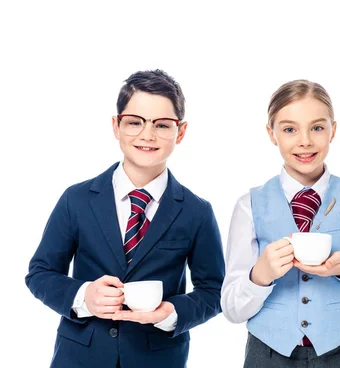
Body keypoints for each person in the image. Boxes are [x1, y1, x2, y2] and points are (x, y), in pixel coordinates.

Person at [25, 69, 225, 368]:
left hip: (157, 358)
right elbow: (40, 273)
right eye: (134, 122)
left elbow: (214, 290)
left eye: (162, 125)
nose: (147, 135)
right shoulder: (76, 199)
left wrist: (171, 312)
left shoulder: (196, 211)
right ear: (116, 126)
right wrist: (84, 296)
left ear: (180, 132)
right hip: (79, 357)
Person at [221, 79, 340, 367]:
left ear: (333, 130)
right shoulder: (249, 205)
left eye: (317, 127)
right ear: (272, 134)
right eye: (290, 129)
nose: (305, 141)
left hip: (339, 355)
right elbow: (231, 309)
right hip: (266, 355)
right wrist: (260, 275)